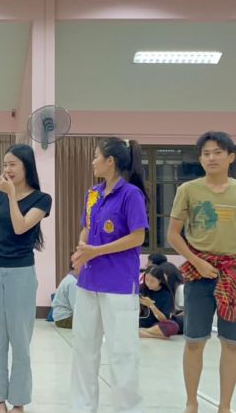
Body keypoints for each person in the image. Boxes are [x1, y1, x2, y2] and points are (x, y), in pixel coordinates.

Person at [167, 131, 236, 413]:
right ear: (200, 159)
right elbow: (173, 234)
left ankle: (225, 406)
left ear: (230, 157)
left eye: (218, 152)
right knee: (194, 342)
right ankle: (191, 402)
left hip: (235, 273)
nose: (212, 158)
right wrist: (196, 262)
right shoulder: (188, 190)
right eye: (206, 153)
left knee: (231, 343)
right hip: (198, 276)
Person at [71, 137, 149, 413]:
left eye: (96, 156)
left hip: (118, 284)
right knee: (84, 350)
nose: (93, 162)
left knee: (122, 353)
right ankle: (82, 408)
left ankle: (128, 409)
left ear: (110, 161)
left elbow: (137, 237)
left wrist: (96, 251)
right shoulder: (93, 193)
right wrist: (82, 250)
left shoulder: (131, 194)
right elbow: (85, 227)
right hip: (88, 282)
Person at [0, 144, 52, 413]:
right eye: (5, 164)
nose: (7, 169)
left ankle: (18, 401)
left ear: (26, 166)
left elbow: (20, 227)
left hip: (21, 273)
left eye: (12, 164)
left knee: (20, 339)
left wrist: (12, 195)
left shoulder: (41, 199)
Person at [138, 264, 180, 339]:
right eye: (146, 279)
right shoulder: (140, 289)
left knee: (172, 326)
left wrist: (151, 306)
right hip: (138, 322)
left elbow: (164, 320)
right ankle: (148, 334)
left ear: (160, 280)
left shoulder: (166, 295)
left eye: (152, 281)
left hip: (154, 325)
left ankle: (140, 332)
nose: (149, 283)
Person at [50, 253, 78, 330]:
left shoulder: (69, 278)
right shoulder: (73, 282)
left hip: (60, 318)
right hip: (65, 319)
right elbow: (75, 307)